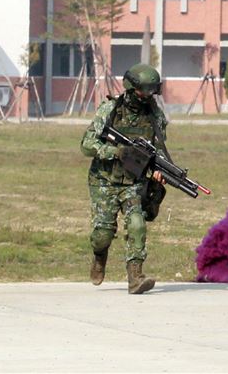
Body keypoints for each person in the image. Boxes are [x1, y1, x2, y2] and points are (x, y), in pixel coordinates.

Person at [80, 63, 167, 294]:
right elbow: (87, 145)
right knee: (102, 234)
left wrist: (158, 171)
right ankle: (99, 256)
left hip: (133, 182)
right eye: (144, 90)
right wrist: (116, 152)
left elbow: (157, 150)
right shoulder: (110, 109)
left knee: (137, 224)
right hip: (103, 181)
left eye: (153, 90)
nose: (148, 95)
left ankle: (135, 278)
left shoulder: (155, 115)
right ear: (131, 88)